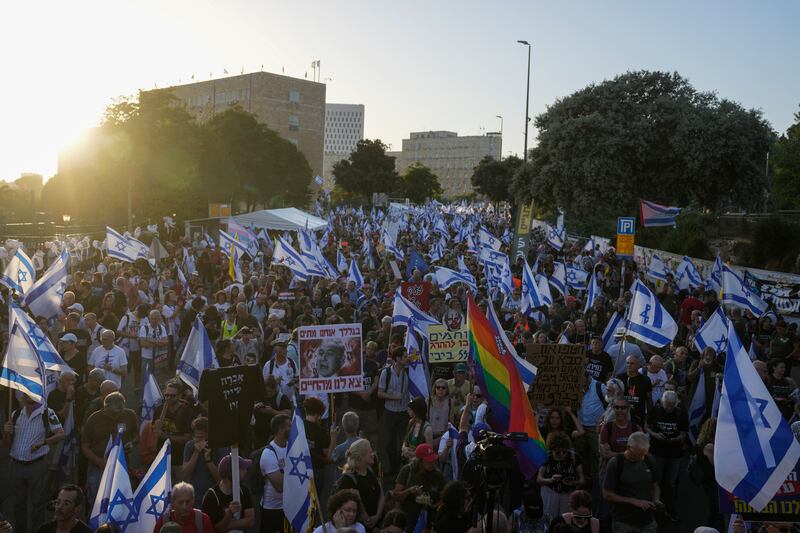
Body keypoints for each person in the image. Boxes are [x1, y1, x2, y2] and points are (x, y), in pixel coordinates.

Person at [3, 393, 65, 533]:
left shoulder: (47, 413)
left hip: (36, 465)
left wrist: (44, 442)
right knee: (18, 503)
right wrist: (6, 432)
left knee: (38, 503)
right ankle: (21, 530)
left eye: (29, 398)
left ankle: (39, 530)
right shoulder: (16, 413)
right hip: (16, 464)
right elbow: (7, 444)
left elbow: (61, 434)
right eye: (24, 398)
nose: (26, 401)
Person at [81, 392, 138, 507]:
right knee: (96, 499)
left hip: (121, 465)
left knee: (120, 499)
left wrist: (131, 442)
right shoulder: (94, 419)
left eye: (120, 412)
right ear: (105, 406)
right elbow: (84, 446)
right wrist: (98, 461)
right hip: (98, 467)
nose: (117, 415)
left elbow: (136, 435)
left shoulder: (129, 415)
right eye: (113, 413)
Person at [602, 432, 662, 533]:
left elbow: (655, 485)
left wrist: (656, 499)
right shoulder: (616, 463)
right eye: (638, 455)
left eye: (644, 454)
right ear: (629, 447)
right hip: (624, 522)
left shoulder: (649, 460)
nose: (641, 458)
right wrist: (634, 501)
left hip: (647, 520)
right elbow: (607, 494)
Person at [645, 390, 686, 523]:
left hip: (674, 452)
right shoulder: (656, 409)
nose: (669, 408)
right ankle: (654, 508)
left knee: (671, 483)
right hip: (657, 451)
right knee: (656, 480)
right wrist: (655, 435)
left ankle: (670, 508)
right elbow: (646, 426)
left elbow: (684, 433)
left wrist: (676, 438)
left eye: (671, 405)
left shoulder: (680, 412)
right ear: (662, 403)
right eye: (667, 405)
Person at [337, 439, 385, 530]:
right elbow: (357, 506)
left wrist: (378, 516)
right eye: (370, 452)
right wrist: (371, 523)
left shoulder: (370, 470)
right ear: (360, 457)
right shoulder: (348, 480)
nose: (373, 454)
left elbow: (381, 493)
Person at [536, 433, 585, 522]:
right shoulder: (547, 457)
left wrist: (573, 482)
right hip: (550, 492)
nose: (561, 454)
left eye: (564, 451)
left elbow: (582, 480)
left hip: (568, 494)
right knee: (549, 520)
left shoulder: (574, 457)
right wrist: (551, 480)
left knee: (566, 521)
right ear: (552, 449)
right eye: (558, 452)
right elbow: (539, 479)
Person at [394, 443, 445, 528]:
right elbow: (396, 495)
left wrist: (432, 505)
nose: (431, 463)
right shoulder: (407, 470)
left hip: (429, 519)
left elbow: (444, 497)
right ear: (419, 460)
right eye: (428, 461)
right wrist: (409, 491)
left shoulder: (437, 475)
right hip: (408, 519)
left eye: (433, 460)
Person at [201, 454, 256, 532]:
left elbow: (250, 521)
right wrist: (229, 514)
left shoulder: (244, 490)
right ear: (231, 473)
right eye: (242, 469)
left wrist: (229, 524)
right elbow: (214, 529)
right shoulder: (211, 496)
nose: (246, 471)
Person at [378, 346, 410, 476]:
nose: (407, 358)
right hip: (390, 412)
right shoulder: (386, 373)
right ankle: (393, 468)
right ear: (397, 359)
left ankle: (400, 470)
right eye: (404, 356)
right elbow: (380, 394)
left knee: (402, 442)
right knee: (389, 443)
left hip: (403, 412)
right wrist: (394, 397)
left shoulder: (408, 372)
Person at [181, 417, 226, 507]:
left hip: (213, 494)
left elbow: (221, 479)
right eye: (196, 437)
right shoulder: (190, 446)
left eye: (201, 437)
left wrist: (208, 459)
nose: (198, 440)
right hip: (195, 495)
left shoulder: (220, 447)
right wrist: (196, 453)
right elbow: (185, 475)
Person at [259, 414, 291, 533]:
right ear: (281, 429)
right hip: (272, 510)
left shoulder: (291, 447)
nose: (292, 429)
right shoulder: (268, 454)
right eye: (290, 426)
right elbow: (280, 487)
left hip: (288, 507)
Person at [154, 380, 194, 473]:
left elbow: (188, 438)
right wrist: (155, 428)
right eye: (166, 395)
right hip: (162, 457)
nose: (168, 398)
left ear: (179, 396)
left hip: (180, 458)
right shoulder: (159, 410)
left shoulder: (187, 412)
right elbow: (155, 434)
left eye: (172, 396)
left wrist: (166, 437)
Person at [616, 356, 652, 425]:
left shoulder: (645, 380)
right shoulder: (619, 378)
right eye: (627, 363)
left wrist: (650, 417)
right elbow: (613, 398)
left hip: (638, 417)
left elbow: (649, 400)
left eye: (632, 363)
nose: (629, 365)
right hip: (621, 416)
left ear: (638, 365)